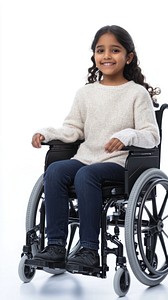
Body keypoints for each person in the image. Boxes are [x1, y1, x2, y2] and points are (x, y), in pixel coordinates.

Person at [32, 25, 160, 269]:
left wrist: (127, 135)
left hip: (120, 164)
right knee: (56, 171)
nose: (107, 56)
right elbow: (74, 129)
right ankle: (56, 245)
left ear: (128, 57)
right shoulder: (86, 93)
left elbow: (152, 136)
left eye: (115, 50)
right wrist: (47, 134)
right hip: (87, 158)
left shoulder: (136, 94)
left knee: (86, 175)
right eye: (101, 50)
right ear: (94, 56)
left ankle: (90, 249)